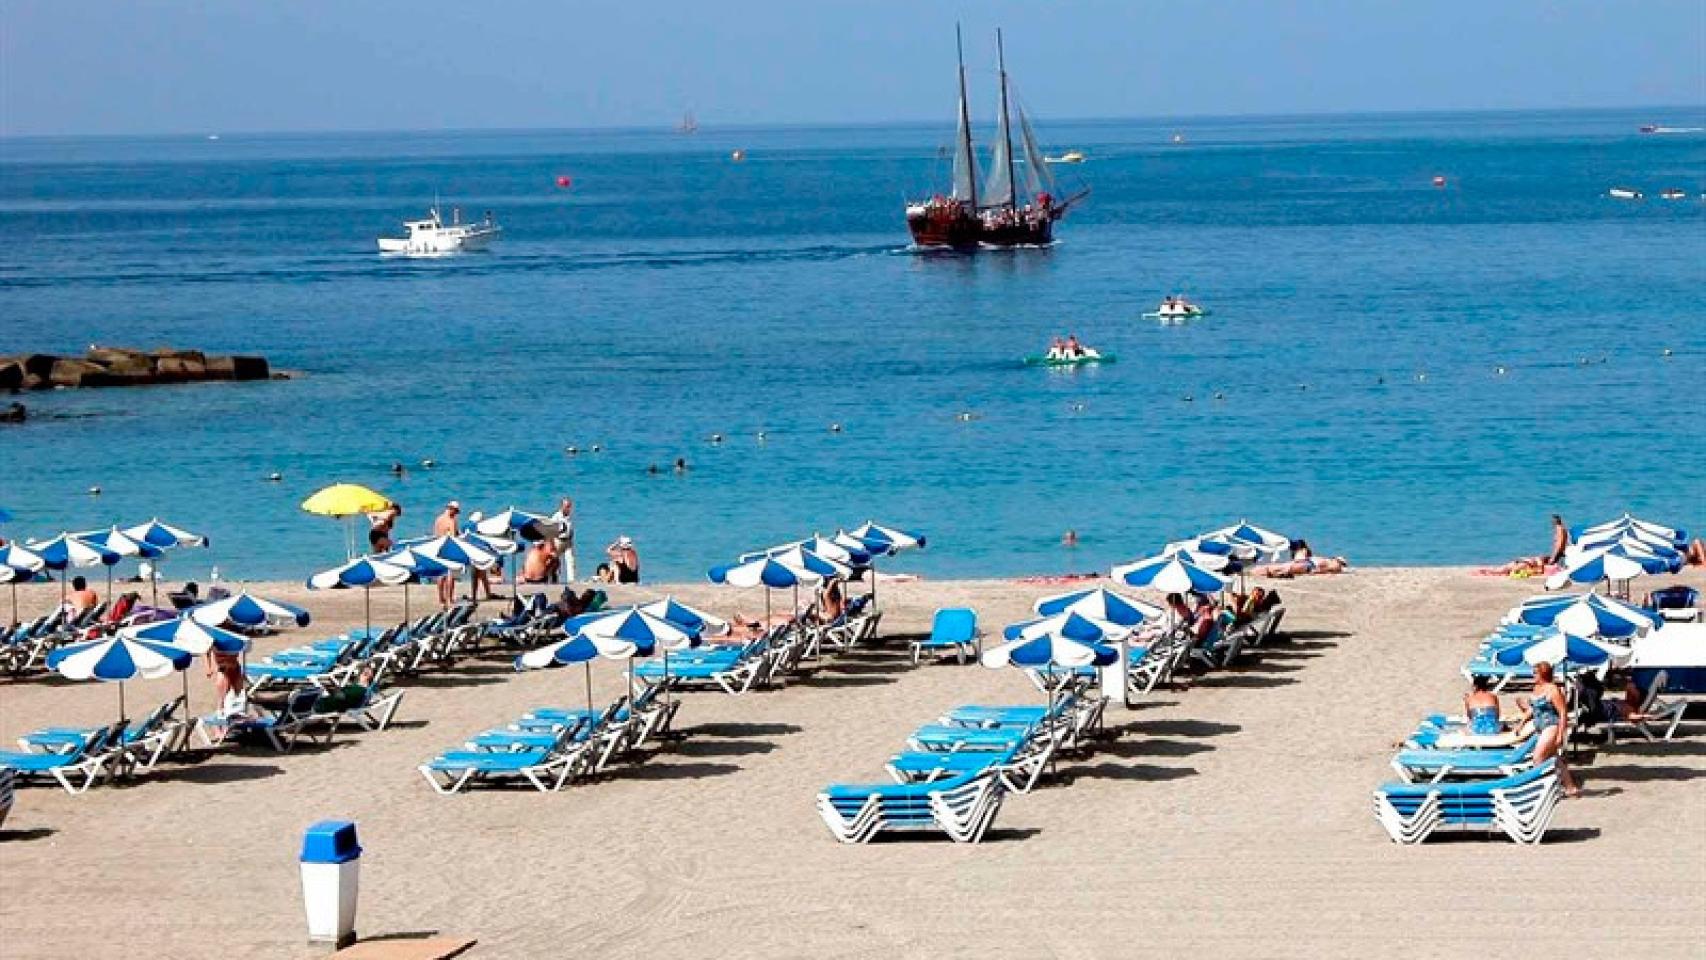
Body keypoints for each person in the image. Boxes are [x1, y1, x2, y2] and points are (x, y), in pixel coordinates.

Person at [1517, 661, 1580, 796]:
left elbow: (1563, 712)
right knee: (1554, 758)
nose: (1533, 675)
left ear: (1543, 674)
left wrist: (1560, 735)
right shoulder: (1536, 688)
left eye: (1535, 673)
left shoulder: (1553, 690)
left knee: (1538, 758)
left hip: (1551, 726)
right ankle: (1570, 787)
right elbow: (1533, 709)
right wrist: (1521, 723)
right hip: (1540, 726)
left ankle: (1542, 790)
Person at [434, 501, 460, 606]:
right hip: (448, 548)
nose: (456, 514)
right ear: (452, 509)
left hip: (438, 547)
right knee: (450, 574)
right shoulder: (451, 520)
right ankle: (449, 598)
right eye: (456, 511)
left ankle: (441, 597)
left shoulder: (438, 519)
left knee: (441, 574)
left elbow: (436, 534)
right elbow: (453, 537)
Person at [550, 497, 577, 583]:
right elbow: (551, 530)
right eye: (566, 506)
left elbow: (571, 528)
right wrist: (552, 544)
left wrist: (571, 536)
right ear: (562, 506)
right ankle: (552, 578)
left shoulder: (569, 517)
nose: (568, 509)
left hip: (568, 541)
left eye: (569, 506)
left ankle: (571, 579)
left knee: (571, 560)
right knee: (554, 560)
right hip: (558, 540)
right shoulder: (556, 517)